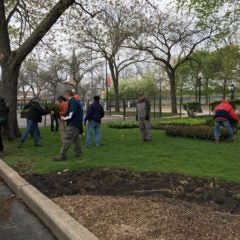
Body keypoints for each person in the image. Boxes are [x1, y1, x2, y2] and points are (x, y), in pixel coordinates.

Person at [54, 90, 83, 161]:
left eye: (65, 95)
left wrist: (64, 118)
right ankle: (79, 153)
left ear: (67, 95)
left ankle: (62, 156)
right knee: (76, 140)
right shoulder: (74, 101)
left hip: (73, 123)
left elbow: (71, 113)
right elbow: (70, 112)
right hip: (76, 123)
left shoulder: (73, 102)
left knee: (67, 139)